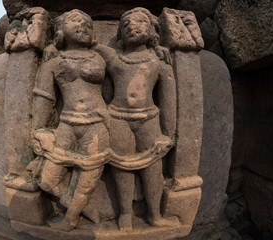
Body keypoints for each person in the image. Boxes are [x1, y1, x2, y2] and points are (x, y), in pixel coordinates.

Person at [92, 7, 176, 230]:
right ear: (120, 33)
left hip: (148, 119)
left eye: (139, 22)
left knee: (153, 168)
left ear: (152, 31)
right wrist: (54, 46)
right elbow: (86, 43)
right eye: (126, 24)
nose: (131, 26)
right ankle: (125, 214)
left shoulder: (159, 61)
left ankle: (154, 214)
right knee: (122, 167)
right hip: (118, 118)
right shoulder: (114, 57)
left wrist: (168, 133)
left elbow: (168, 101)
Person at [31, 9, 109, 231]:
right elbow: (43, 100)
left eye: (87, 23)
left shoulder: (101, 58)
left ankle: (70, 219)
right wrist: (39, 131)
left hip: (96, 124)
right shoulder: (53, 63)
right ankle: (78, 206)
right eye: (75, 20)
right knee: (47, 180)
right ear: (60, 29)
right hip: (66, 125)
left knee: (87, 179)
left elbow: (125, 78)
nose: (83, 25)